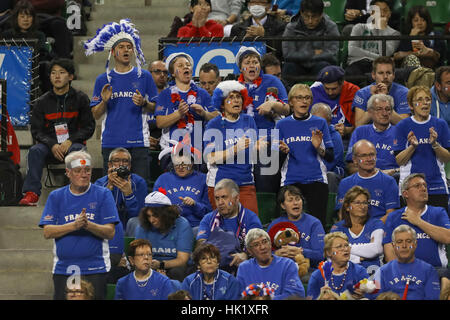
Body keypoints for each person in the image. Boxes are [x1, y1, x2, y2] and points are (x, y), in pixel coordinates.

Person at [86, 19, 158, 189]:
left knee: (140, 187)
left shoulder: (145, 76)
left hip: (139, 142)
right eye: (121, 47)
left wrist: (144, 103)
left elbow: (157, 108)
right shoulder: (103, 79)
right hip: (111, 141)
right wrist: (104, 101)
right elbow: (95, 115)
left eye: (129, 46)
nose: (126, 50)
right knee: (111, 189)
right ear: (113, 51)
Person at [38, 150, 120, 300]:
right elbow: (47, 232)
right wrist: (74, 226)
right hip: (64, 268)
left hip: (96, 267)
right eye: (78, 171)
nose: (84, 174)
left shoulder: (103, 194)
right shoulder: (56, 196)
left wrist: (89, 225)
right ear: (68, 173)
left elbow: (110, 232)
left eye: (87, 170)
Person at [19, 58, 95, 206]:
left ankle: (79, 190)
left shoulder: (81, 99)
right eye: (53, 73)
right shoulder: (42, 102)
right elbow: (36, 130)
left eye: (62, 72)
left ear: (71, 77)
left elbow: (89, 128)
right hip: (49, 147)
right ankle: (31, 193)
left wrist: (70, 140)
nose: (57, 76)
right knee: (35, 150)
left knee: (77, 151)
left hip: (73, 145)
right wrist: (52, 144)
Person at [275, 83, 334, 226]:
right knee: (289, 225)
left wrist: (318, 147)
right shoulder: (281, 125)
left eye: (307, 97)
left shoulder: (320, 123)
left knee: (317, 223)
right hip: (290, 180)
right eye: (299, 97)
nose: (304, 101)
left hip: (316, 179)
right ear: (291, 102)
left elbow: (331, 156)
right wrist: (283, 152)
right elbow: (274, 162)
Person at [234, 46, 289, 193]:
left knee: (264, 169)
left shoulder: (271, 81)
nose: (252, 65)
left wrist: (272, 104)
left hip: (269, 138)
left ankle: (266, 208)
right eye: (247, 63)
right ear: (240, 68)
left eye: (255, 62)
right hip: (243, 140)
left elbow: (287, 109)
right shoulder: (235, 88)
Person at [155, 52, 218, 170]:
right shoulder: (165, 94)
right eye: (180, 65)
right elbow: (160, 123)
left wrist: (204, 114)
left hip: (197, 152)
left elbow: (216, 116)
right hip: (172, 152)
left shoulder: (202, 93)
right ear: (173, 73)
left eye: (188, 65)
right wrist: (179, 114)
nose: (185, 67)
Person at [206, 80, 261, 213]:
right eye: (231, 97)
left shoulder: (249, 120)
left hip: (246, 182)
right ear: (222, 104)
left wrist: (260, 146)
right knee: (226, 227)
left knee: (251, 226)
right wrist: (234, 149)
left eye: (238, 97)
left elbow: (253, 149)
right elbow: (211, 158)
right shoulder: (214, 125)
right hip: (222, 185)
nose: (236, 100)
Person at [94, 147, 147, 282]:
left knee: (135, 222)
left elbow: (140, 215)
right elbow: (97, 212)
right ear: (109, 164)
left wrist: (128, 194)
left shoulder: (139, 182)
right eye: (117, 161)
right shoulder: (100, 183)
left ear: (130, 165)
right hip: (109, 227)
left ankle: (130, 260)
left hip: (129, 226)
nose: (121, 164)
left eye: (125, 161)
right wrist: (109, 188)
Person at [393, 86, 450, 210]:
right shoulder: (402, 126)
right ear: (411, 105)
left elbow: (446, 159)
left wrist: (435, 144)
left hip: (437, 187)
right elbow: (399, 160)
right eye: (419, 99)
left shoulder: (440, 124)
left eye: (428, 99)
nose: (425, 103)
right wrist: (412, 147)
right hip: (410, 189)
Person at [383, 173, 450, 277]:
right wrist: (400, 273)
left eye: (424, 185)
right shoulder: (393, 217)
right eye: (417, 186)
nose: (423, 188)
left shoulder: (438, 212)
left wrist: (418, 221)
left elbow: (447, 237)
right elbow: (389, 250)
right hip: (404, 271)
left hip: (435, 270)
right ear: (405, 193)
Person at [196, 178, 263, 273]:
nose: (220, 203)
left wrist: (245, 255)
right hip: (213, 266)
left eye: (224, 197)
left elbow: (258, 246)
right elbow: (201, 243)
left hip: (240, 267)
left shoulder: (250, 219)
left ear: (236, 198)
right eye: (217, 198)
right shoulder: (208, 219)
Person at [133, 190, 194, 282]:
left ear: (166, 214)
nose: (151, 220)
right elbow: (139, 255)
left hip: (175, 266)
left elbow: (182, 259)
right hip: (150, 265)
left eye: (155, 216)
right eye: (148, 216)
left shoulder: (182, 225)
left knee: (177, 272)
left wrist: (161, 264)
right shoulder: (142, 226)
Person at [336, 139, 399, 223]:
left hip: (380, 229)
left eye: (372, 154)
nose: (369, 159)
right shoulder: (345, 183)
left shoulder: (389, 181)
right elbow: (342, 214)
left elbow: (391, 214)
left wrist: (370, 229)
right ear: (355, 160)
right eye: (364, 155)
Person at [375, 224, 441, 300]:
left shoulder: (429, 271)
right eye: (399, 242)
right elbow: (376, 297)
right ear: (393, 246)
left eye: (408, 241)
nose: (404, 245)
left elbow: (433, 298)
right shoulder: (382, 271)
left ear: (415, 244)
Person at [236, 228, 306, 300]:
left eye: (265, 242)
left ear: (270, 244)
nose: (263, 247)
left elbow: (297, 294)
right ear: (250, 251)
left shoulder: (287, 265)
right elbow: (238, 296)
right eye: (256, 244)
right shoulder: (244, 268)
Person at [153, 146, 211, 231]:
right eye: (177, 164)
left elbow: (209, 212)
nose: (180, 167)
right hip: (168, 225)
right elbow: (154, 206)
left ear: (192, 163)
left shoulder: (204, 179)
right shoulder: (163, 179)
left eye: (184, 164)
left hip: (194, 226)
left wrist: (194, 204)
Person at [266, 185, 325, 269]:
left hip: (308, 270)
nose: (295, 203)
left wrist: (301, 251)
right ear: (283, 205)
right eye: (290, 200)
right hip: (281, 270)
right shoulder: (275, 225)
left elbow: (321, 254)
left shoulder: (314, 223)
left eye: (298, 199)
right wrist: (276, 254)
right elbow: (264, 254)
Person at [331, 186, 384, 278]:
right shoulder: (338, 227)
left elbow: (376, 249)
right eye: (357, 203)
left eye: (365, 203)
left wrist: (344, 249)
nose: (362, 206)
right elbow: (332, 254)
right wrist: (359, 258)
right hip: (344, 274)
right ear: (348, 207)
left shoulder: (376, 224)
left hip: (372, 274)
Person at [282, 0, 339, 82]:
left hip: (320, 65)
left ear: (321, 14)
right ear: (301, 13)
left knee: (325, 66)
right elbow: (288, 54)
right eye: (306, 16)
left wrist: (302, 53)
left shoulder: (331, 27)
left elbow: (332, 54)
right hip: (298, 65)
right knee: (289, 66)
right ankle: (289, 93)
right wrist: (313, 53)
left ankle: (321, 94)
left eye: (314, 16)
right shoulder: (291, 27)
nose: (310, 21)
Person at [345, 94, 400, 177]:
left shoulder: (401, 133)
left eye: (388, 109)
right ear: (370, 112)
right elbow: (351, 166)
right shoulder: (360, 132)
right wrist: (374, 174)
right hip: (365, 176)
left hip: (393, 176)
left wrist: (393, 171)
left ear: (392, 112)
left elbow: (409, 166)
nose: (384, 113)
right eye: (379, 109)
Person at [345, 0, 401, 79]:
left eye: (385, 11)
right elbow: (352, 51)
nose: (381, 14)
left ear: (389, 14)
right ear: (371, 13)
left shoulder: (395, 34)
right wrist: (378, 58)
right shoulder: (359, 27)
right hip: (357, 64)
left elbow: (385, 54)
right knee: (350, 74)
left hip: (378, 67)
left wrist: (382, 29)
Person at [307, 232, 369, 299]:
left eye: (346, 245)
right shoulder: (317, 276)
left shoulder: (359, 272)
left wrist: (362, 295)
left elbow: (371, 295)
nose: (345, 249)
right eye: (339, 246)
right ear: (329, 252)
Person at [352, 56, 410, 127]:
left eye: (388, 73)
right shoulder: (361, 93)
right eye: (381, 73)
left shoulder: (404, 92)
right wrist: (374, 101)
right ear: (373, 75)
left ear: (394, 75)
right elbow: (358, 125)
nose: (385, 76)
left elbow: (404, 125)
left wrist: (384, 98)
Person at [310, 65, 360, 140]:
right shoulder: (314, 92)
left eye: (334, 89)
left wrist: (347, 130)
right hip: (318, 137)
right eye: (327, 88)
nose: (330, 93)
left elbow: (361, 124)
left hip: (347, 138)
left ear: (342, 83)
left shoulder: (353, 91)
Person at [393, 5, 446, 70]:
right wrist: (411, 38)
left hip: (431, 70)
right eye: (416, 20)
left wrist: (424, 51)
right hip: (409, 71)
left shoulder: (436, 35)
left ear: (427, 22)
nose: (419, 23)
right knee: (411, 59)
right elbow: (399, 55)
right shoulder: (405, 37)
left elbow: (438, 56)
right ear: (411, 22)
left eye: (423, 20)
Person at [310, 103, 345, 193]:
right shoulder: (306, 133)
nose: (318, 125)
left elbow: (330, 164)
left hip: (331, 174)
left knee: (329, 176)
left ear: (329, 122)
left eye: (322, 122)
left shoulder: (335, 136)